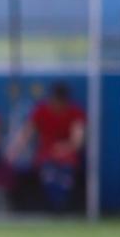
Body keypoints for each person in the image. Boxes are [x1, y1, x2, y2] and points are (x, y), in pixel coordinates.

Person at [7, 83, 86, 212]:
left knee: (64, 179)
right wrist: (13, 150)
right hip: (46, 156)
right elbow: (26, 133)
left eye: (60, 102)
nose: (56, 105)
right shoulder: (41, 110)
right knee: (49, 176)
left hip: (68, 156)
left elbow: (77, 141)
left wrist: (65, 147)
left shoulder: (75, 112)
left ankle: (62, 208)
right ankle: (53, 209)